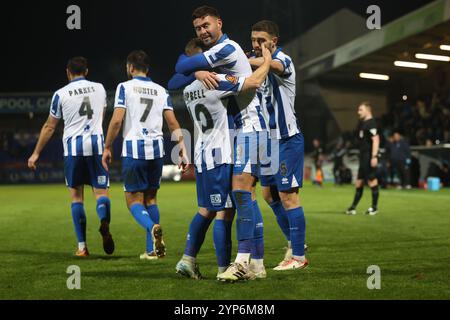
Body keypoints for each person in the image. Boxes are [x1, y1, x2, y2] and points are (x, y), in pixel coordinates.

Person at [175, 6, 268, 282]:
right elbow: (249, 81)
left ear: (219, 23)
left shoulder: (225, 52)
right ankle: (256, 265)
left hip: (246, 131)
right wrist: (264, 62)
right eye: (198, 29)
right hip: (232, 139)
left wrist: (263, 63)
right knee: (244, 199)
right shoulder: (213, 78)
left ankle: (239, 263)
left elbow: (180, 69)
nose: (203, 31)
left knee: (237, 198)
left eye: (206, 25)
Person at [102, 50, 189, 260]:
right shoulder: (161, 90)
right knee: (151, 198)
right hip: (157, 151)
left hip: (134, 150)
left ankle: (152, 227)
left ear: (130, 68)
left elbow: (116, 121)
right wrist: (182, 148)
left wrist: (107, 147)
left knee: (133, 200)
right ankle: (152, 250)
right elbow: (172, 123)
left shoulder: (125, 87)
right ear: (147, 69)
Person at [28, 56, 114, 257]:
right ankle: (104, 221)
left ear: (68, 72)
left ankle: (82, 247)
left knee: (77, 198)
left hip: (74, 150)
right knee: (101, 194)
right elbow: (101, 116)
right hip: (96, 148)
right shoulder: (100, 88)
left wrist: (36, 153)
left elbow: (50, 126)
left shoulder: (61, 94)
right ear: (86, 71)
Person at [248, 20, 308, 270]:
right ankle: (294, 244)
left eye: (261, 40)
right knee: (268, 194)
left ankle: (299, 257)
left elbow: (272, 64)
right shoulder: (256, 66)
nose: (256, 45)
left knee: (288, 197)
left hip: (286, 139)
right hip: (267, 141)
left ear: (274, 41)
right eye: (253, 40)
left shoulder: (283, 60)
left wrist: (240, 59)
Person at [346, 102, 380, 215]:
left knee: (372, 180)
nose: (358, 112)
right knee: (359, 182)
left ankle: (374, 208)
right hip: (363, 156)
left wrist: (374, 156)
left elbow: (376, 139)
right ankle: (353, 207)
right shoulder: (362, 123)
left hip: (369, 157)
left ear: (367, 110)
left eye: (361, 109)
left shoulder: (372, 123)